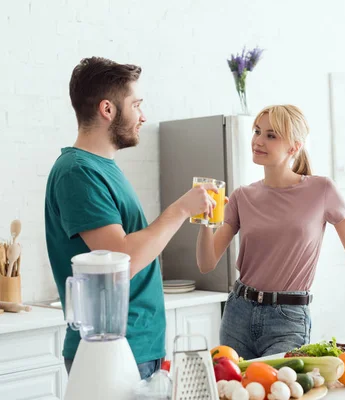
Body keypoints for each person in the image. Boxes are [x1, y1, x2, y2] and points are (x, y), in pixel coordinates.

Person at [45, 57, 216, 379]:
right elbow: (122, 259)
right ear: (107, 109)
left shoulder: (101, 168)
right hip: (111, 351)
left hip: (136, 346)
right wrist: (180, 210)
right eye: (136, 104)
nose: (143, 116)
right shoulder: (78, 172)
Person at [196, 104, 345, 360]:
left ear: (294, 146)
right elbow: (206, 263)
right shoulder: (243, 196)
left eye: (271, 135)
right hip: (237, 314)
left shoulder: (321, 190)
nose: (258, 141)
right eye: (257, 131)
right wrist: (205, 221)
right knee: (232, 392)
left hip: (288, 319)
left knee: (281, 390)